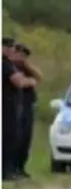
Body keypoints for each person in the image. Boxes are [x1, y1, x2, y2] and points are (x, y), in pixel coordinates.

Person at [2, 38, 36, 181]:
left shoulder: (10, 64)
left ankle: (12, 169)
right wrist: (30, 81)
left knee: (15, 139)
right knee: (8, 139)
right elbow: (20, 82)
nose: (12, 50)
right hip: (6, 107)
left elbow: (37, 76)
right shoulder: (5, 65)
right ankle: (6, 171)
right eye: (8, 47)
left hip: (13, 107)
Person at [11, 44, 42, 178]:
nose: (21, 58)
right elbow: (23, 82)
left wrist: (27, 65)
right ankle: (12, 168)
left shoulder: (26, 68)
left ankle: (20, 167)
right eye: (19, 55)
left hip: (27, 106)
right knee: (15, 139)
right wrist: (29, 81)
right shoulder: (9, 67)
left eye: (24, 56)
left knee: (26, 139)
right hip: (14, 108)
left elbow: (39, 77)